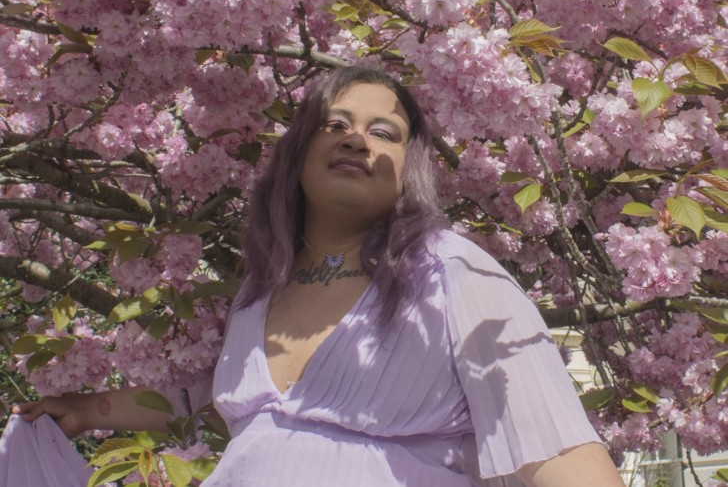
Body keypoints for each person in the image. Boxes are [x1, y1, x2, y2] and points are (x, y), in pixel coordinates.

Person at [8, 66, 626, 486]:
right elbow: (224, 407)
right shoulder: (258, 292)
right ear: (298, 153)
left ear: (406, 168)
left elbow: (558, 447)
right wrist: (87, 410)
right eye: (334, 124)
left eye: (382, 132)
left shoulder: (455, 272)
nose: (356, 138)